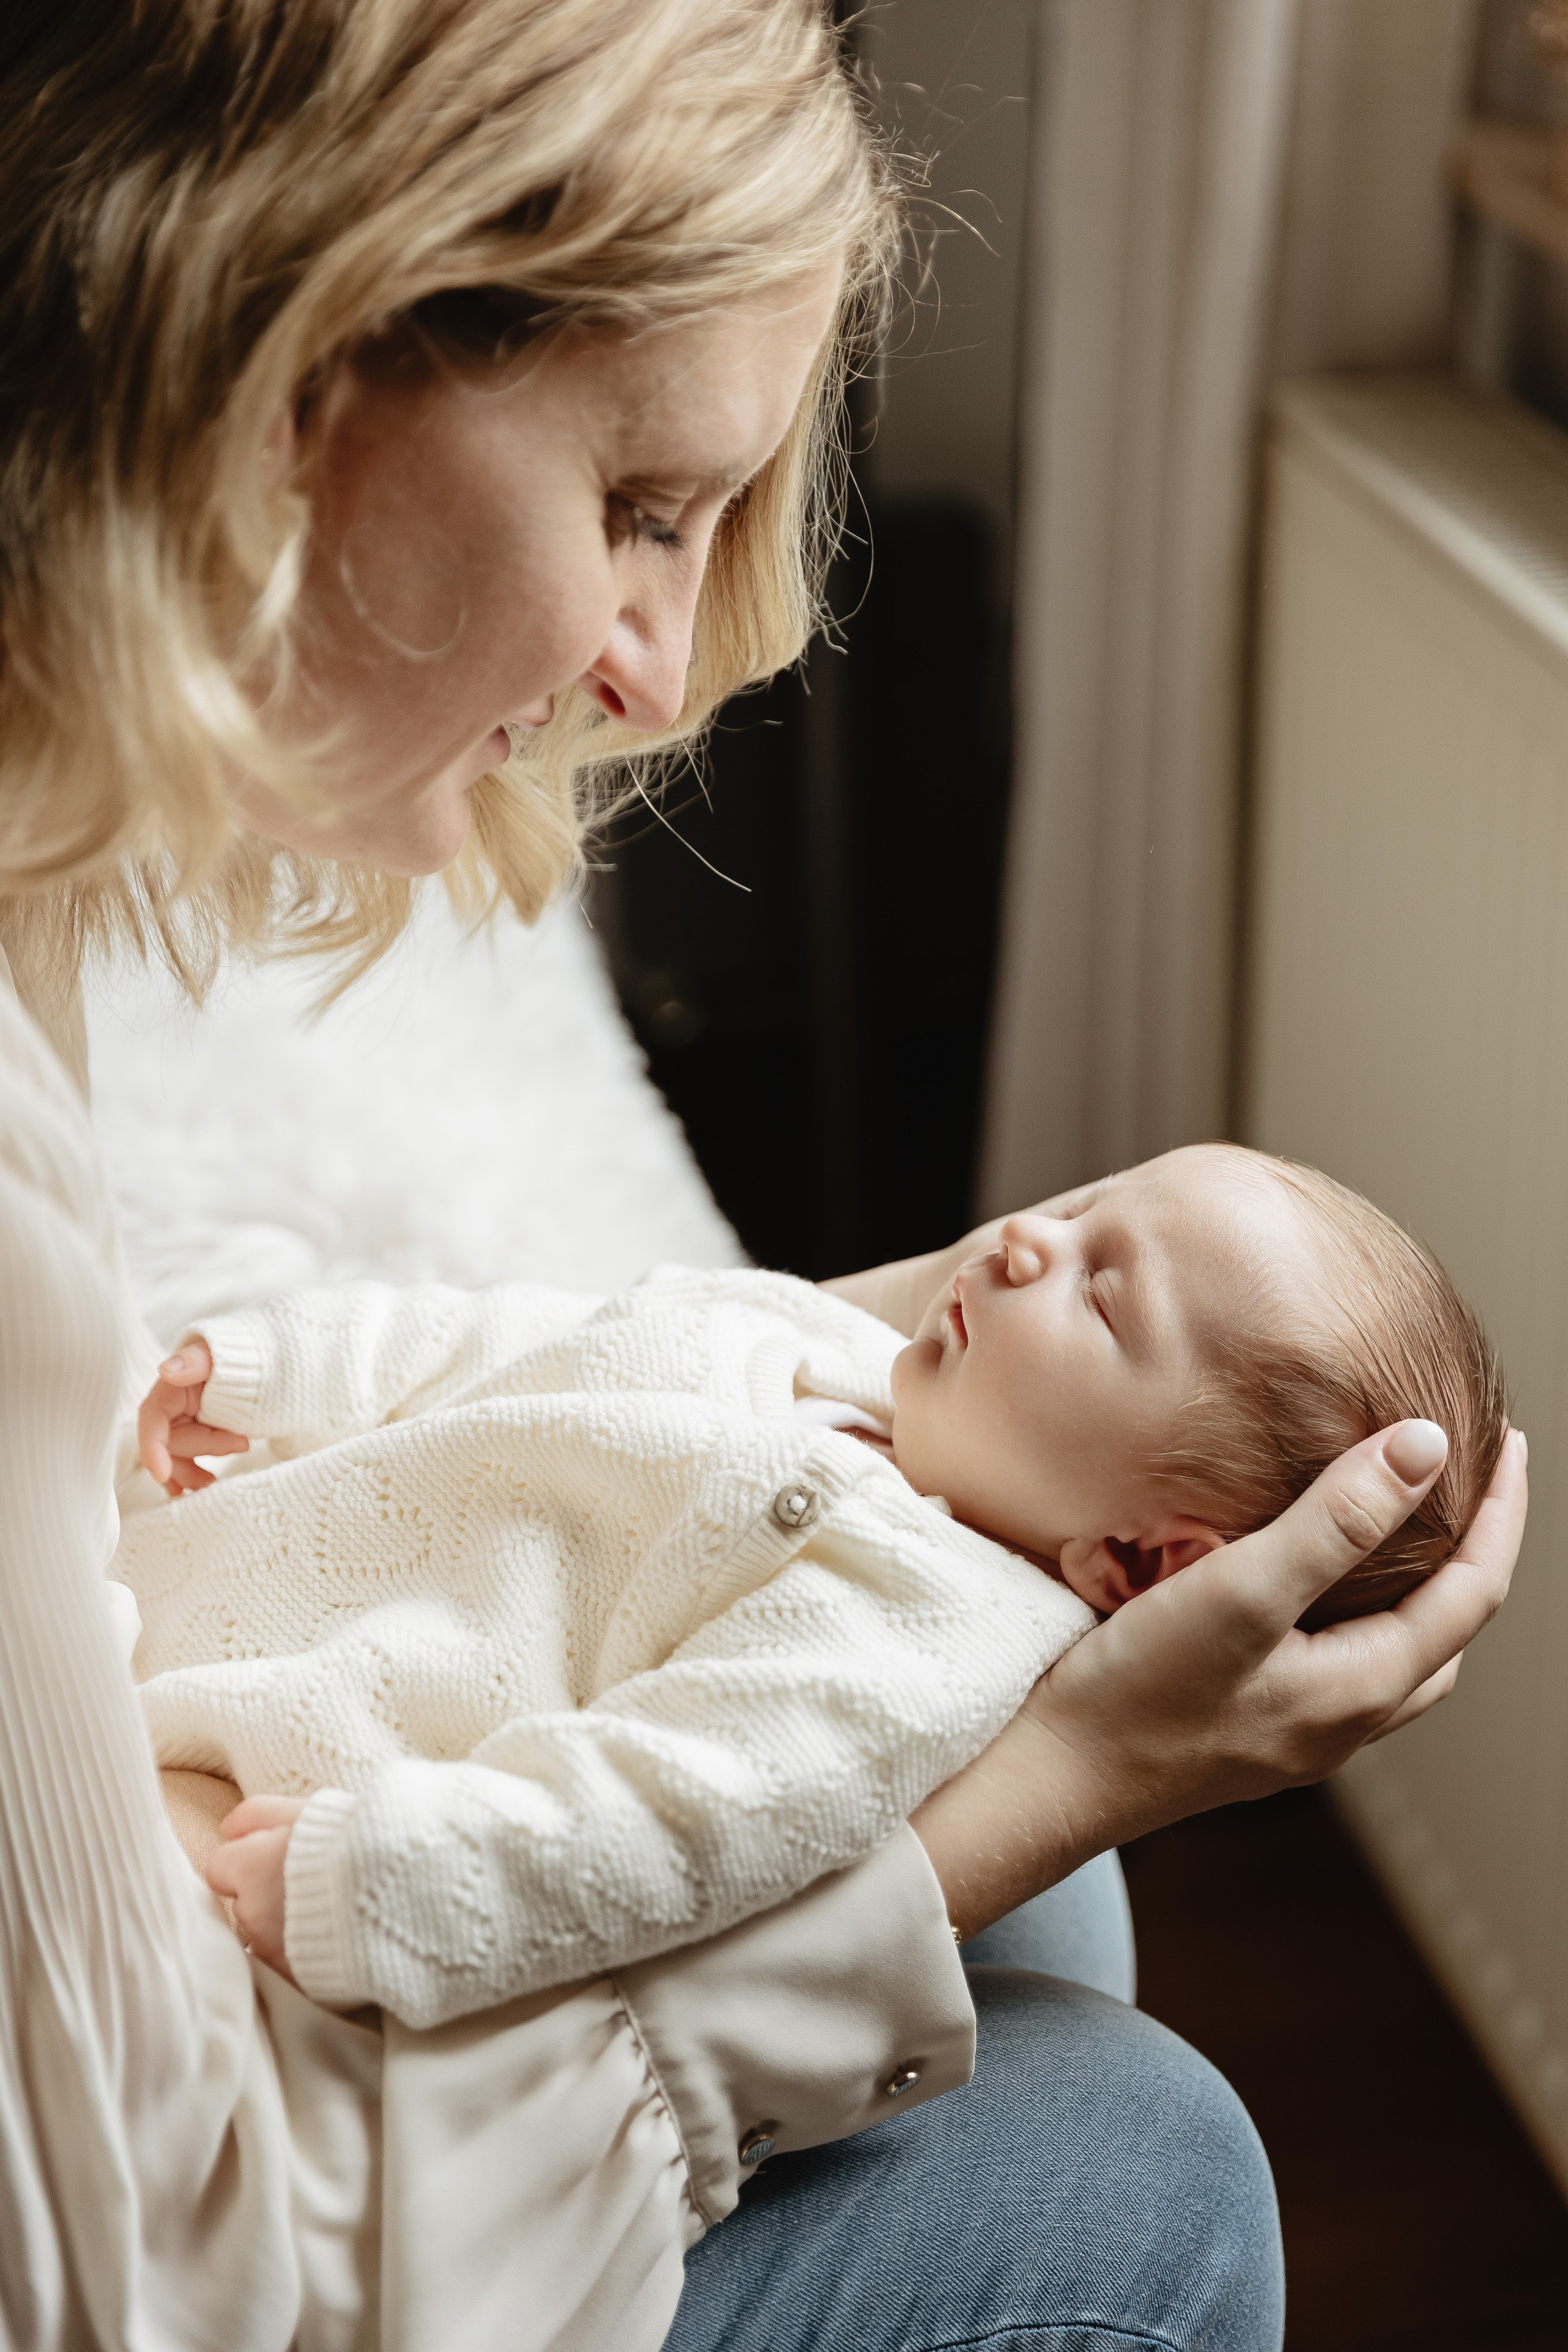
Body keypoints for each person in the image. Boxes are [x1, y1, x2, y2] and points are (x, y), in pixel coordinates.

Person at [0, 6, 1526, 2350]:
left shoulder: (47, 886)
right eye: (638, 503)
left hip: (323, 1792)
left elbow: (674, 1588)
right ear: (297, 351)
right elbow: (142, 2272)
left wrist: (960, 1408)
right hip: (208, 2056)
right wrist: (1088, 1763)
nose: (649, 665)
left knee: (1051, 1917)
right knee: (1146, 2136)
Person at [119, 1140, 1506, 2037]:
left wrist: (386, 1879)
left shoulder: (917, 1637)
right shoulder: (833, 1357)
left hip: (286, 1771)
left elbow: (665, 1817)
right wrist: (295, 1364)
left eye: (1099, 1293)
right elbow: (529, 1334)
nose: (1024, 1234)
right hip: (214, 1556)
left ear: (1142, 1561)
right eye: (1086, 1203)